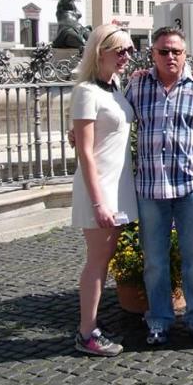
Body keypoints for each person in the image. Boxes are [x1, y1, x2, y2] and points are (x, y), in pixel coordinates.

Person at [124, 26, 193, 346]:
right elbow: (113, 119)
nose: (171, 57)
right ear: (152, 53)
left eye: (177, 52)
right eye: (164, 51)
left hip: (191, 187)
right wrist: (78, 130)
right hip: (150, 188)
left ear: (186, 54)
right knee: (154, 260)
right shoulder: (138, 84)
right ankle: (159, 319)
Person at [71, 25, 137, 356]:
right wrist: (98, 202)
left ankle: (91, 323)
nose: (127, 55)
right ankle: (86, 333)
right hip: (99, 190)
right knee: (97, 260)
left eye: (129, 49)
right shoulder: (86, 91)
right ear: (101, 51)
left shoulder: (114, 87)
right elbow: (84, 151)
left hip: (116, 187)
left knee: (105, 258)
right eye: (121, 50)